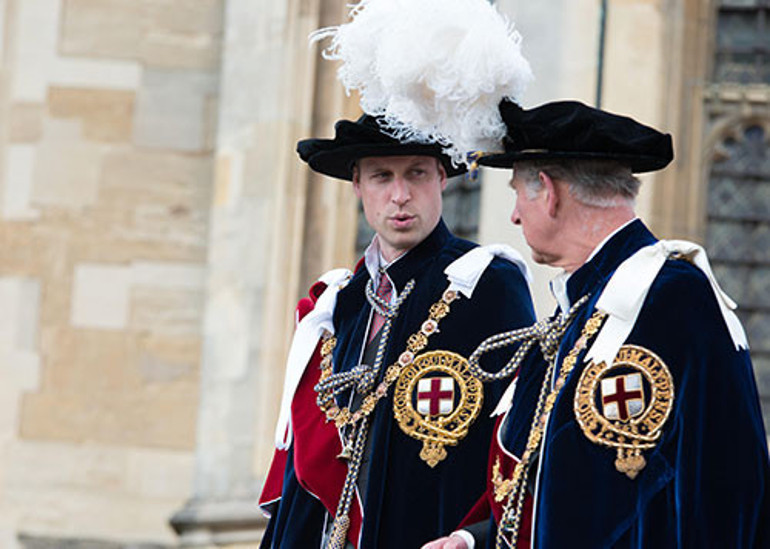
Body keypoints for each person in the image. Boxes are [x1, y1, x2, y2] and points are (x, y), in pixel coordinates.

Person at [424, 99, 770, 549]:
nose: (513, 215)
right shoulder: (578, 307)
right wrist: (472, 540)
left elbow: (724, 496)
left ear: (548, 192)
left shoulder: (671, 297)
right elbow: (558, 491)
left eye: (517, 193)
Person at [257, 112, 536, 548]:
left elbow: (522, 435)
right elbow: (304, 470)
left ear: (442, 177)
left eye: (417, 174)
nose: (400, 195)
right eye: (382, 177)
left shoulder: (486, 283)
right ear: (357, 186)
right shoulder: (338, 304)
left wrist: (475, 537)